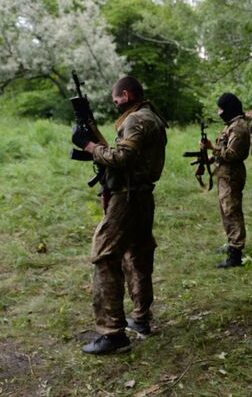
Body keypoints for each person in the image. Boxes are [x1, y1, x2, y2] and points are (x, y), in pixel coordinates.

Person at [72, 76, 168, 354]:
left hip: (127, 197)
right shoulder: (150, 116)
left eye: (116, 100)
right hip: (140, 195)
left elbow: (122, 158)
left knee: (104, 255)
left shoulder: (137, 120)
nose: (114, 104)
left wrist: (90, 147)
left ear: (125, 95)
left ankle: (112, 334)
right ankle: (140, 318)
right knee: (138, 253)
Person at [201, 92, 250, 268]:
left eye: (221, 109)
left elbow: (232, 154)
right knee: (225, 210)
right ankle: (231, 243)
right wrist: (209, 156)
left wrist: (211, 148)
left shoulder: (238, 127)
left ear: (229, 109)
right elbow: (223, 148)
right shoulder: (231, 125)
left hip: (232, 175)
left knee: (232, 211)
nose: (219, 112)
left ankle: (235, 254)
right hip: (224, 174)